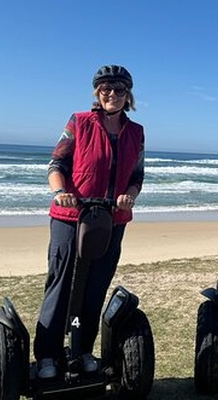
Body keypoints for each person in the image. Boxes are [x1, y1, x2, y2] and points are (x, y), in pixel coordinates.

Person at [33, 64, 145, 379]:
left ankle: (82, 351)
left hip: (112, 218)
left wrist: (129, 196)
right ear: (98, 93)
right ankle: (48, 356)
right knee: (63, 283)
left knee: (95, 286)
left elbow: (136, 176)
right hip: (71, 217)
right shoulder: (79, 122)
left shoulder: (136, 132)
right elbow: (57, 163)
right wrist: (60, 192)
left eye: (119, 89)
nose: (113, 94)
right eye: (106, 89)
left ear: (128, 95)